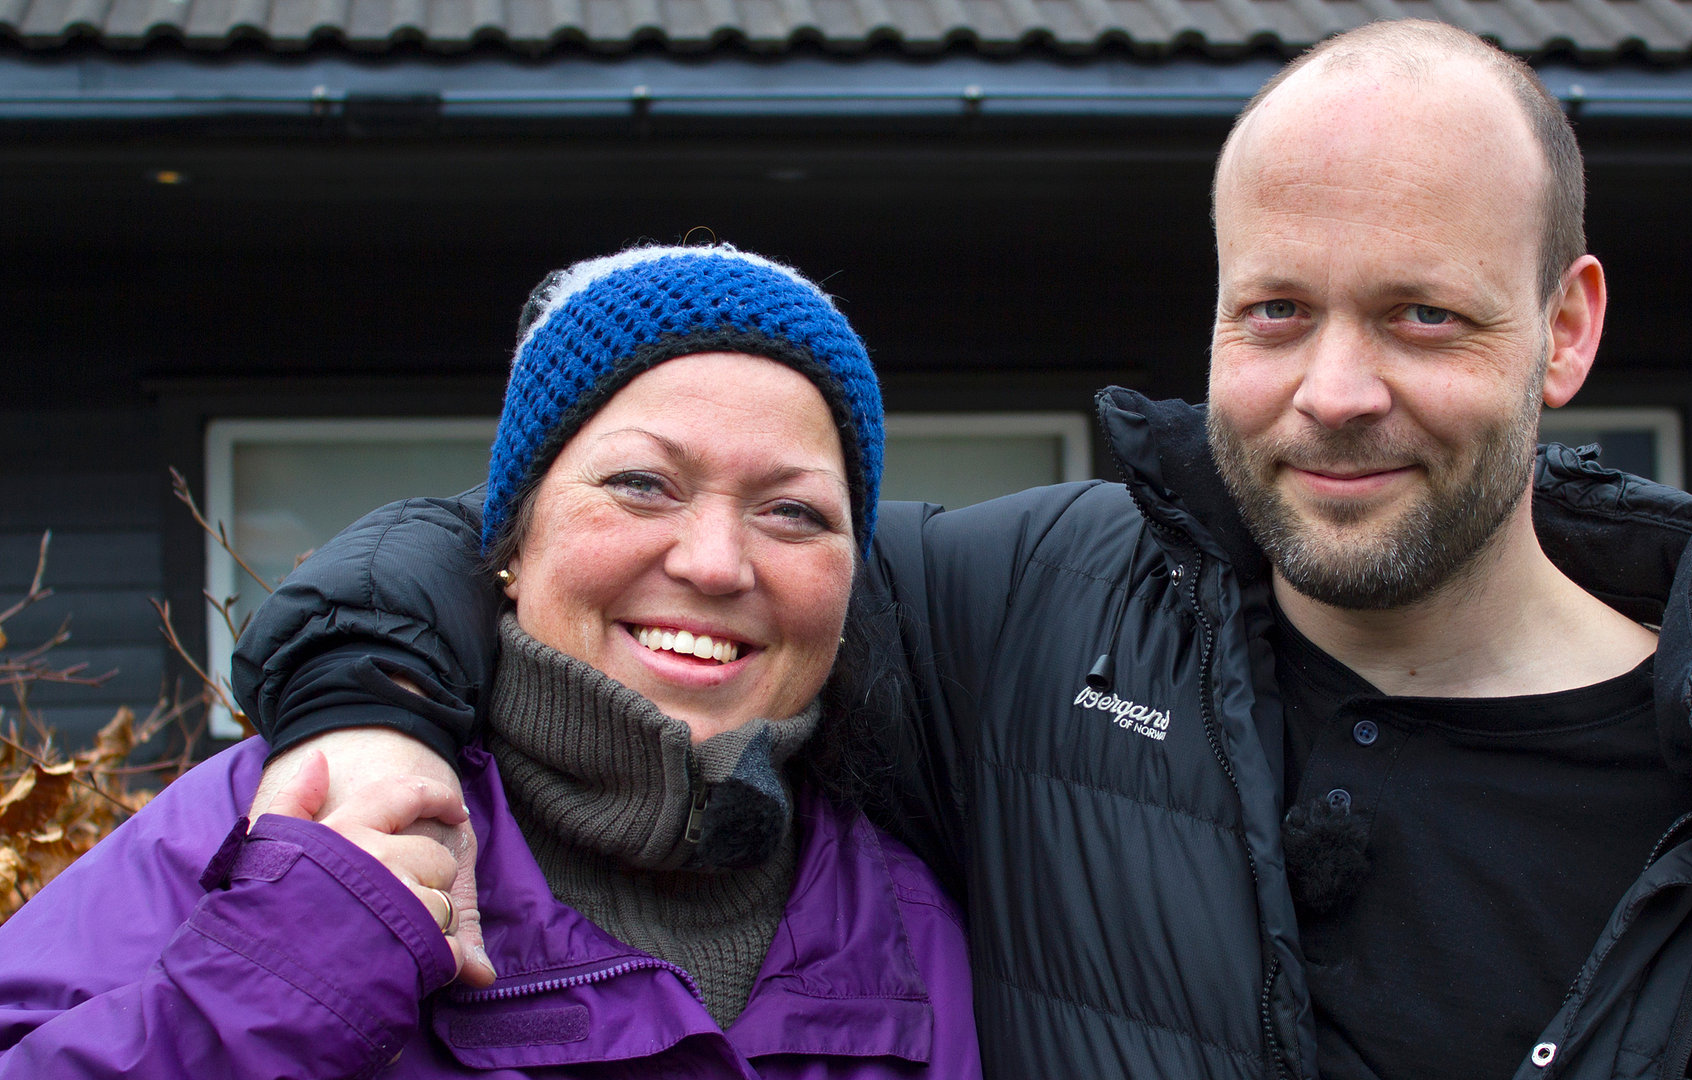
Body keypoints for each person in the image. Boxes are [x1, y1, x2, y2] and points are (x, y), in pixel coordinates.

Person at [215, 19, 1692, 1080]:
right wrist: (367, 701)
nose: (1334, 392)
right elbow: (600, 560)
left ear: (1566, 331)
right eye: (1275, 311)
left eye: (1422, 316)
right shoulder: (1031, 620)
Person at [0, 245, 981, 1079]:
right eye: (642, 485)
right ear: (510, 540)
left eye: (795, 511)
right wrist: (289, 969)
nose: (716, 562)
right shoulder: (289, 820)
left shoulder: (922, 923)